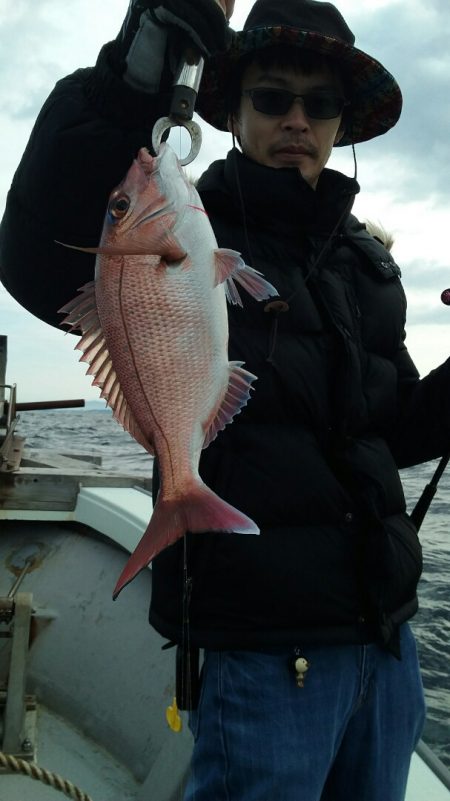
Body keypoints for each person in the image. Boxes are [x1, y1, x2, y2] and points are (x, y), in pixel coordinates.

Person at [2, 1, 449, 798]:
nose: (297, 120)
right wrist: (144, 64)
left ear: (341, 123)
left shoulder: (369, 269)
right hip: (264, 647)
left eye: (320, 105)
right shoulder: (190, 223)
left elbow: (399, 429)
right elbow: (37, 254)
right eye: (273, 98)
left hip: (386, 642)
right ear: (234, 109)